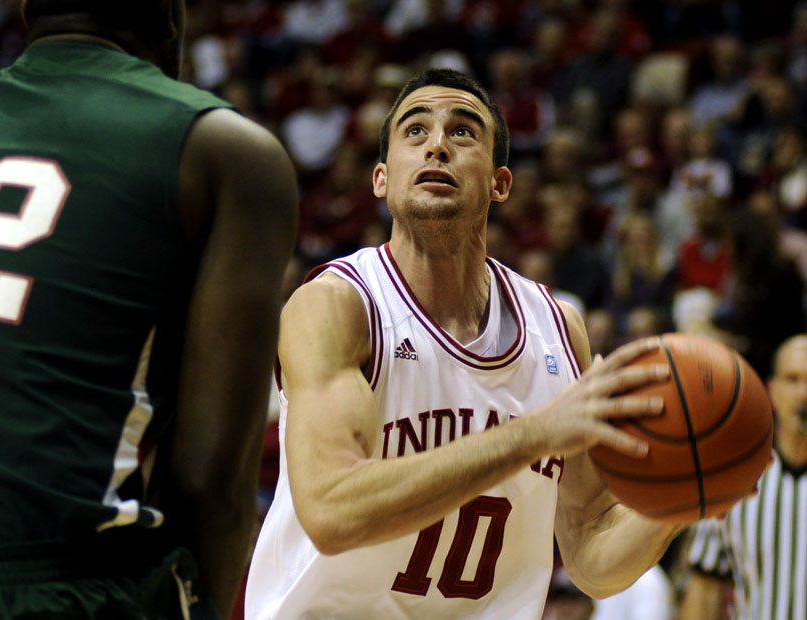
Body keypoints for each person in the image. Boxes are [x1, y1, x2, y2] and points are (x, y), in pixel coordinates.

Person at [0, 0, 298, 618]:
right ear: (170, 17)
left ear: (26, 11)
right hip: (48, 583)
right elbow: (211, 486)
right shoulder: (224, 148)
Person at [246, 68, 683, 619]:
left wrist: (682, 494)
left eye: (462, 132)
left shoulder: (556, 328)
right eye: (414, 131)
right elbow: (333, 512)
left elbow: (592, 557)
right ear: (381, 178)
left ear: (500, 183)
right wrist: (532, 435)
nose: (436, 145)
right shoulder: (338, 305)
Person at [679, 334, 807, 620]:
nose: (803, 393)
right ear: (772, 391)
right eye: (793, 379)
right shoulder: (736, 482)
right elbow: (705, 590)